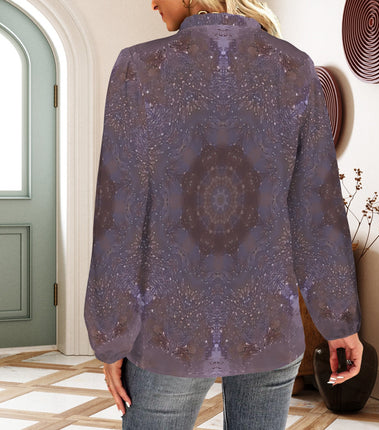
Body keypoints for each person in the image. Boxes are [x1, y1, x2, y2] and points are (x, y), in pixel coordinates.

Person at [84, 0, 364, 428]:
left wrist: (111, 335)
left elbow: (119, 213)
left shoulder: (138, 68)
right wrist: (339, 322)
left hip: (171, 327)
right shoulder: (294, 67)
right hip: (269, 321)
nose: (152, 2)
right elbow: (317, 210)